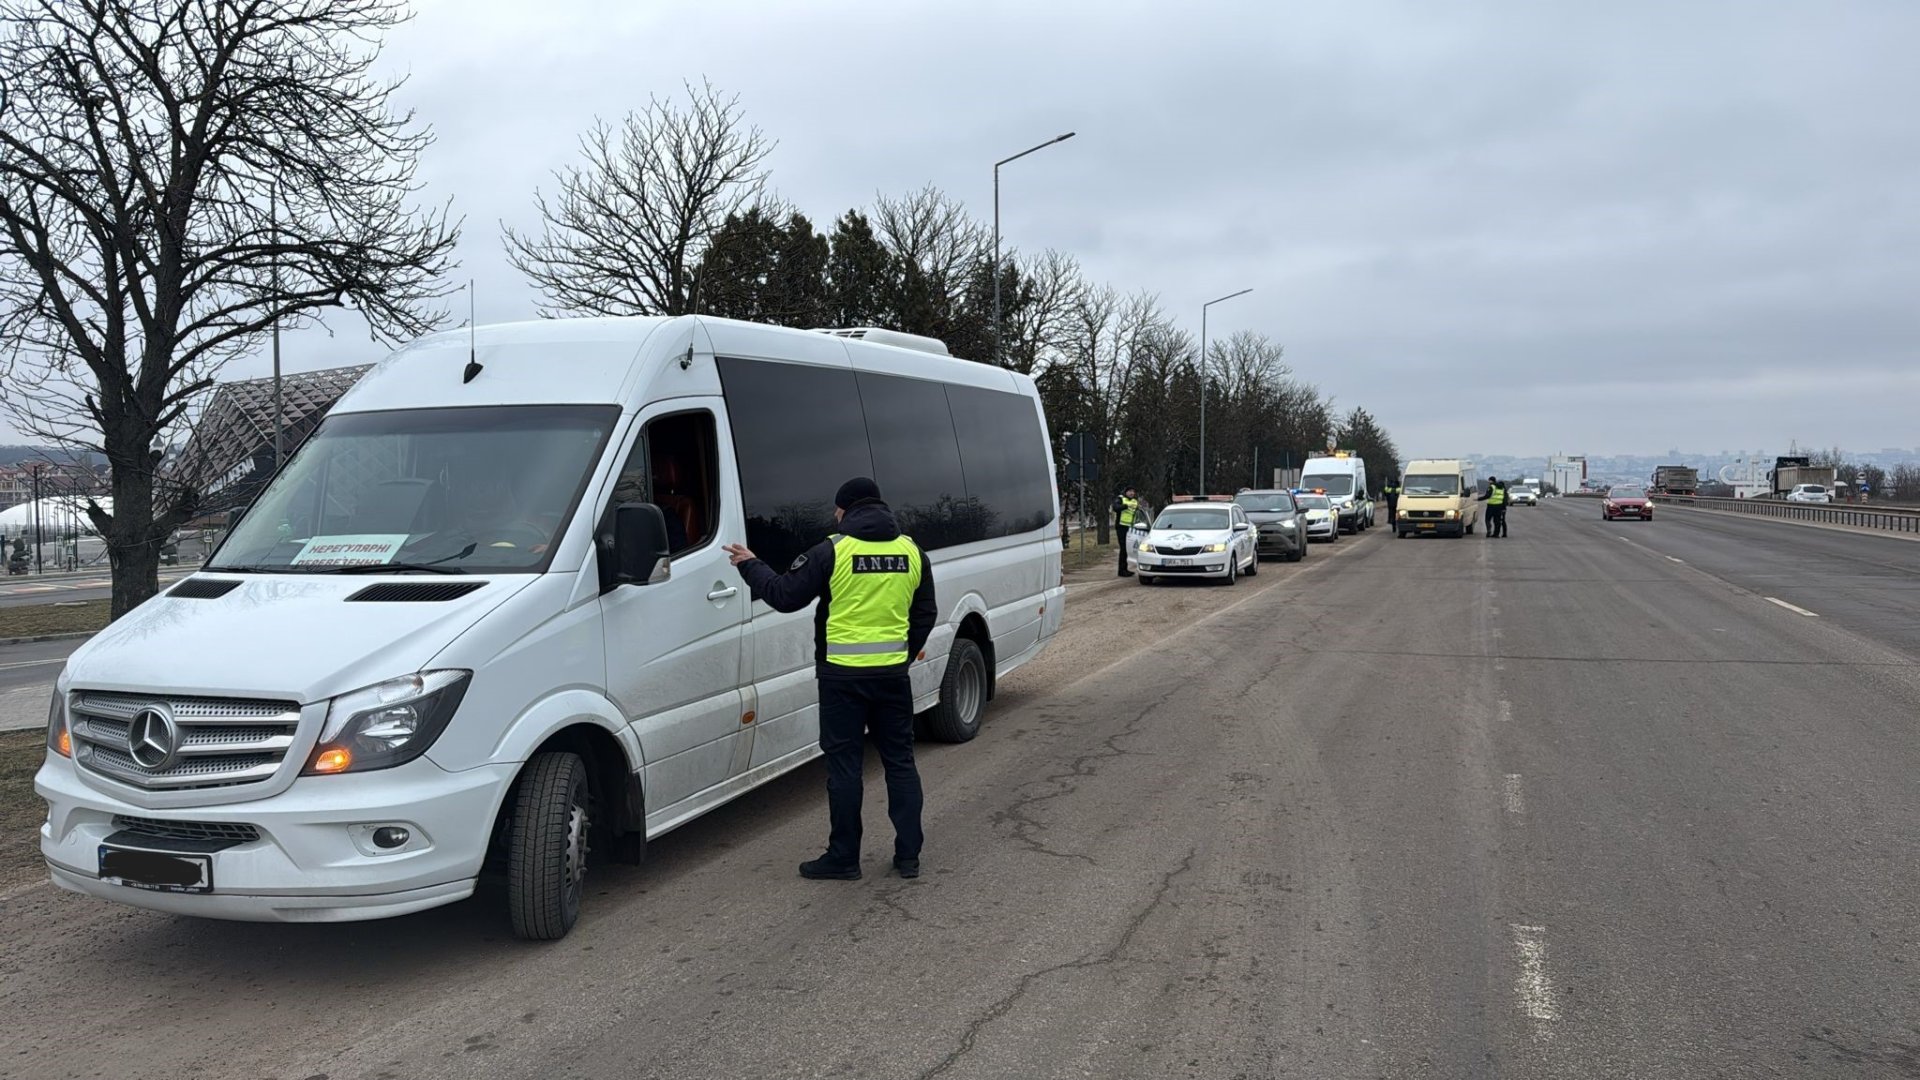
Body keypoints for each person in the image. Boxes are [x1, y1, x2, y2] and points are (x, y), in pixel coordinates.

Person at [725, 477, 935, 881]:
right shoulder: (912, 551)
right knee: (900, 763)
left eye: (837, 510)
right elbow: (925, 612)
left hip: (842, 681)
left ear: (845, 509)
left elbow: (784, 596)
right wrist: (900, 657)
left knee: (845, 768)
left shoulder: (833, 550)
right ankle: (909, 856)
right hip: (892, 677)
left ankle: (844, 858)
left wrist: (750, 564)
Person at [1113, 486, 1141, 577]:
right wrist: (1126, 506)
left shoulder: (1135, 501)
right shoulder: (1120, 499)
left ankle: (1125, 569)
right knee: (1123, 549)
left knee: (1129, 549)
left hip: (1131, 528)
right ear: (1126, 492)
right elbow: (1115, 508)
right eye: (1130, 491)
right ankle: (1122, 571)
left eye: (1133, 491)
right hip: (1121, 527)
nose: (1132, 493)